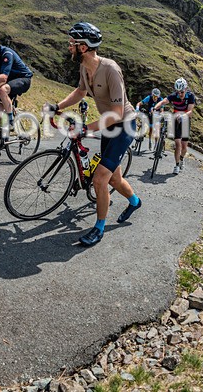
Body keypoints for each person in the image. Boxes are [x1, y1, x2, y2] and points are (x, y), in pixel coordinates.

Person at [43, 22, 140, 247]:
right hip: (108, 125)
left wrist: (86, 129)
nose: (69, 47)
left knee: (99, 179)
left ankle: (98, 228)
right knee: (114, 178)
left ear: (83, 47)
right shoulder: (85, 67)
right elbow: (80, 92)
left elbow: (116, 114)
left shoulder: (111, 70)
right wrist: (57, 106)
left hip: (123, 125)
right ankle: (134, 202)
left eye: (72, 43)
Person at [153, 78, 196, 174]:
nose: (179, 94)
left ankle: (181, 159)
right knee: (177, 144)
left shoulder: (190, 96)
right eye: (177, 92)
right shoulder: (174, 96)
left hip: (185, 119)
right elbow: (163, 101)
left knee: (184, 146)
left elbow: (190, 111)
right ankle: (176, 165)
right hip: (176, 119)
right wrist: (155, 107)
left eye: (181, 92)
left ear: (185, 89)